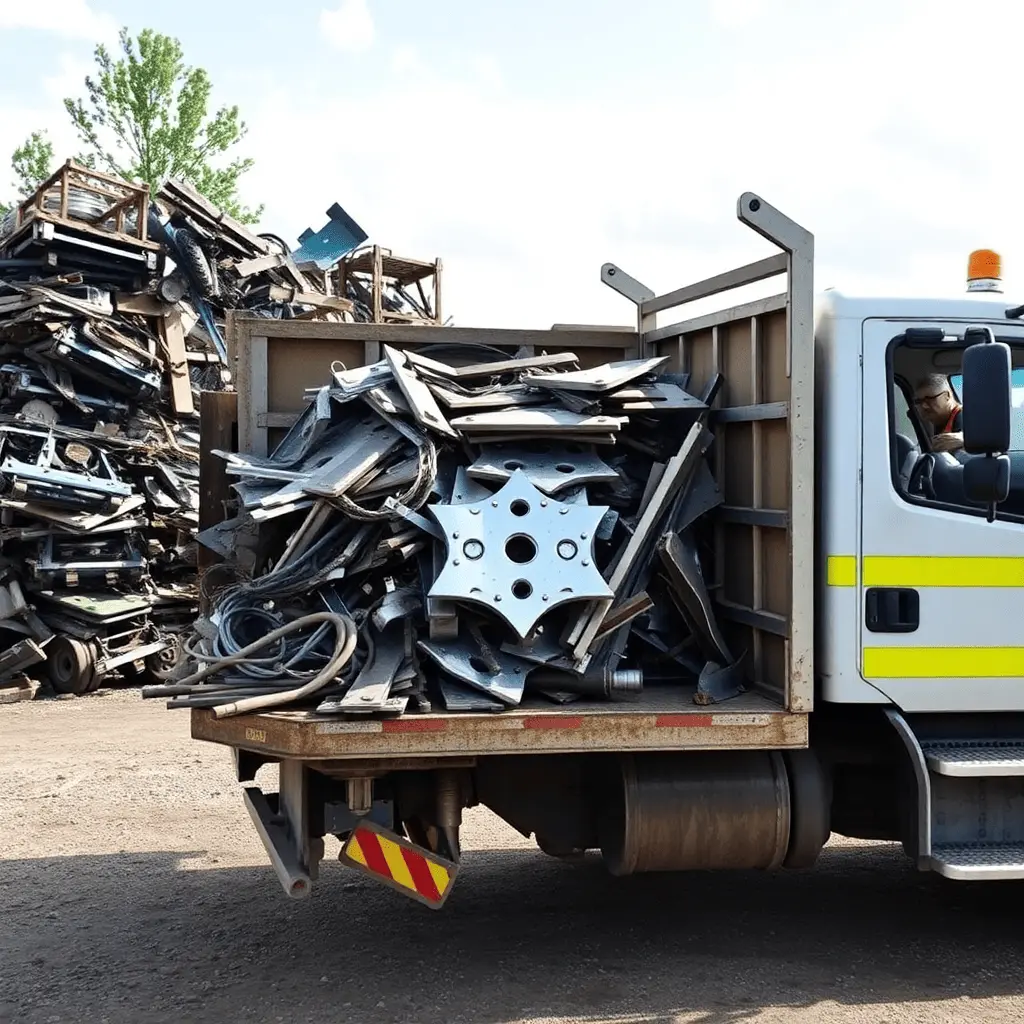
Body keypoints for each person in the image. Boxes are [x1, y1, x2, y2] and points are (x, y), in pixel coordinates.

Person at [913, 374, 963, 453]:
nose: (924, 406)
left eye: (929, 399)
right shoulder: (939, 422)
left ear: (947, 396)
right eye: (919, 401)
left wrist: (966, 440)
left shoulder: (964, 418)